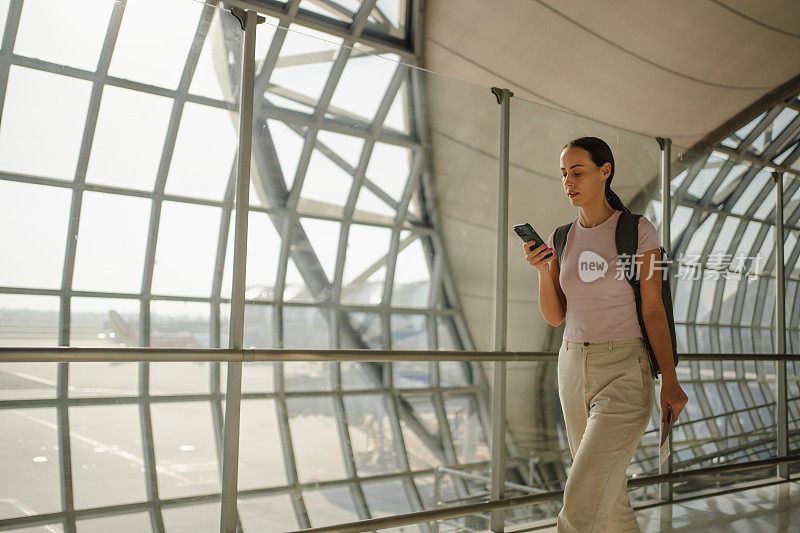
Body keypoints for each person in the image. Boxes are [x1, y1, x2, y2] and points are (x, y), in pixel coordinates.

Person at [523, 136, 688, 532]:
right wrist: (544, 272)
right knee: (608, 495)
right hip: (572, 368)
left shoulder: (637, 230)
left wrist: (670, 378)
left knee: (580, 500)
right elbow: (556, 316)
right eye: (563, 174)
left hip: (624, 371)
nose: (568, 182)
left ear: (605, 171)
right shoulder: (562, 236)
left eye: (577, 172)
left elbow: (653, 308)